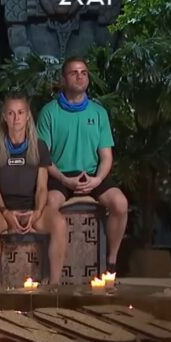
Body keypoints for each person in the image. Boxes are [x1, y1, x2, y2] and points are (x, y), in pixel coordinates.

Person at [36, 57, 128, 273]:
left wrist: (97, 179)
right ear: (63, 79)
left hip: (92, 175)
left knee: (120, 203)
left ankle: (111, 263)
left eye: (84, 73)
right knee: (49, 203)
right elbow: (43, 157)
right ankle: (51, 268)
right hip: (60, 176)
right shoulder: (49, 112)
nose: (80, 76)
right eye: (74, 73)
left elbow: (106, 156)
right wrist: (64, 179)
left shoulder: (99, 113)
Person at [0, 94, 67, 286]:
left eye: (20, 113)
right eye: (11, 113)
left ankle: (54, 285)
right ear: (5, 117)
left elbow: (42, 187)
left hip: (31, 208)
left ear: (28, 116)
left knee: (60, 223)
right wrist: (6, 213)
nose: (16, 118)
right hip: (3, 209)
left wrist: (37, 212)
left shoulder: (39, 146)